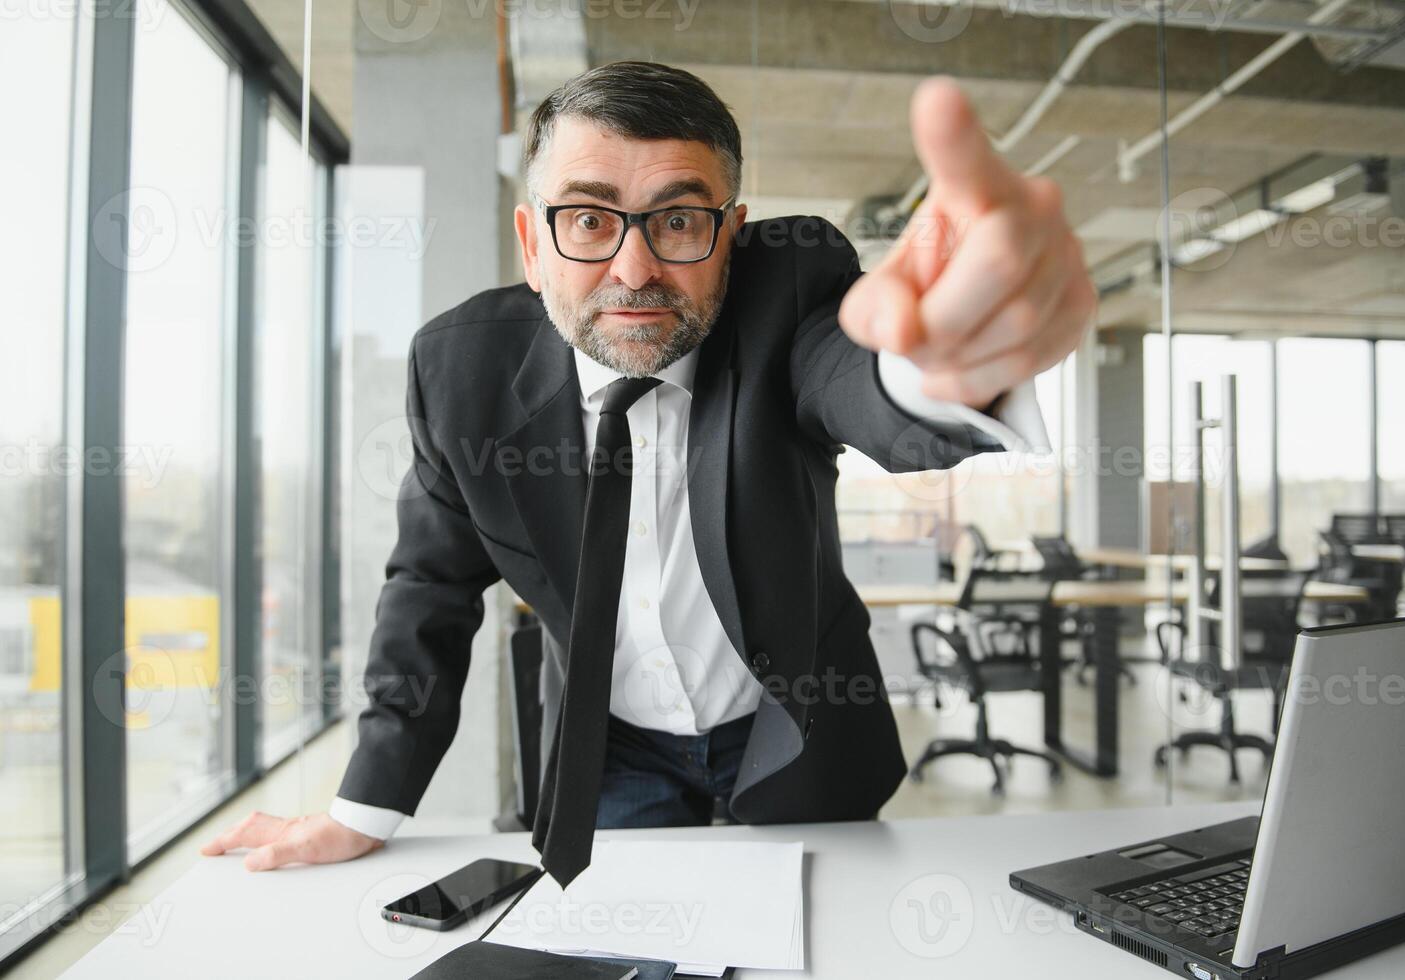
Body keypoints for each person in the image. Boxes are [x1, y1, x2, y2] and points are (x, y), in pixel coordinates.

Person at [201, 61, 1092, 881]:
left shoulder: (785, 299)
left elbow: (852, 375)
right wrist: (367, 805)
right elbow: (428, 590)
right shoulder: (458, 373)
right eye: (587, 218)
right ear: (531, 241)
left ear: (731, 237)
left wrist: (932, 370)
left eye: (677, 220)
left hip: (796, 737)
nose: (634, 269)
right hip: (608, 746)